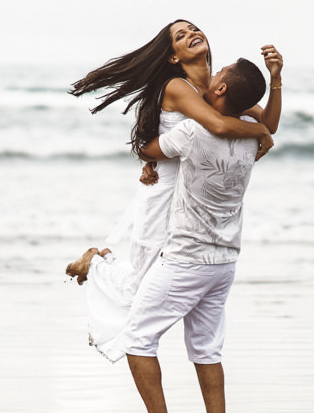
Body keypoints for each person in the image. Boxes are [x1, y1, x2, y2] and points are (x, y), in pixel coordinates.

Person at [64, 20, 283, 362]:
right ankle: (96, 263)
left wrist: (275, 83)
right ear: (172, 57)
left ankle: (102, 269)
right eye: (180, 36)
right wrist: (257, 133)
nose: (191, 34)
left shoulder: (218, 88)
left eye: (194, 28)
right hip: (163, 191)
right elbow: (218, 125)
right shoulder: (178, 88)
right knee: (141, 285)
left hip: (192, 196)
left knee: (152, 288)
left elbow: (266, 122)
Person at [117, 58, 269, 413]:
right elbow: (252, 126)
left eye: (219, 75)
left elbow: (149, 148)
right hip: (225, 261)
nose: (212, 76)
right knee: (206, 348)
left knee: (137, 337)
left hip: (186, 258)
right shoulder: (253, 138)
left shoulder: (193, 131)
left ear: (220, 90)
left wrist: (148, 152)